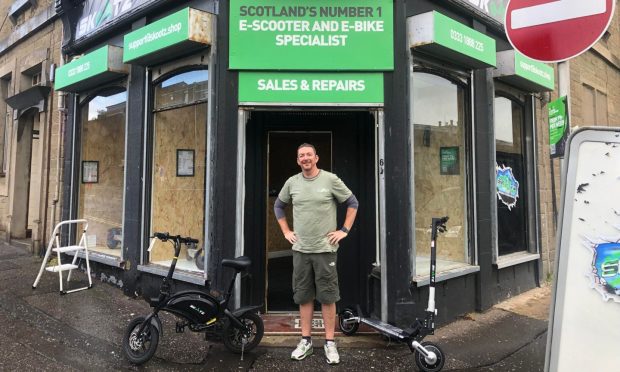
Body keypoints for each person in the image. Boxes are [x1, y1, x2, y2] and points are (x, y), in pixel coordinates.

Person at [274, 143, 358, 365]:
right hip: (301, 250)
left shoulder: (330, 180)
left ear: (316, 158)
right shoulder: (292, 183)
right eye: (301, 155)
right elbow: (278, 206)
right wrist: (286, 231)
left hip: (325, 250)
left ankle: (330, 343)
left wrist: (344, 230)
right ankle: (306, 341)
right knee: (304, 296)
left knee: (328, 297)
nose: (305, 158)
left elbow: (352, 202)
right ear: (297, 160)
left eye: (309, 154)